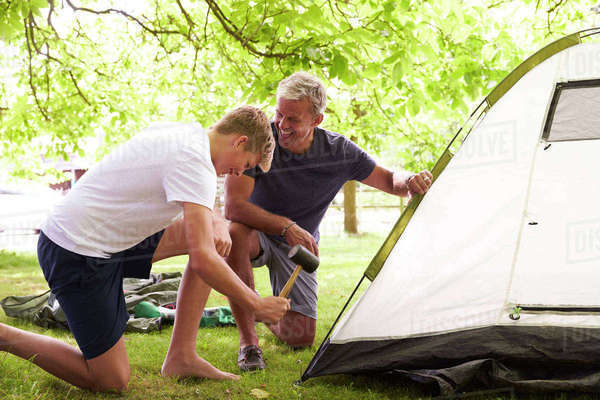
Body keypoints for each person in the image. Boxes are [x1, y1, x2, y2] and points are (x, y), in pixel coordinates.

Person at [0, 106, 291, 391]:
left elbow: (201, 203)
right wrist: (255, 304)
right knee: (111, 380)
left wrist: (215, 219)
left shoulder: (188, 133)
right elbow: (203, 260)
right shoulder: (196, 164)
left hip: (106, 240)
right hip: (75, 251)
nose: (239, 173)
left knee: (215, 239)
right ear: (240, 141)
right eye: (247, 164)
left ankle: (182, 356)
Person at [224, 72, 433, 371]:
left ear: (317, 120)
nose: (282, 125)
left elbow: (389, 180)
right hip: (258, 234)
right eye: (279, 113)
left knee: (301, 337)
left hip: (300, 249)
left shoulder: (339, 151)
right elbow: (233, 207)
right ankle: (249, 344)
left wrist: (411, 179)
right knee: (235, 234)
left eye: (293, 119)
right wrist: (287, 226)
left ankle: (255, 308)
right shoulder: (261, 139)